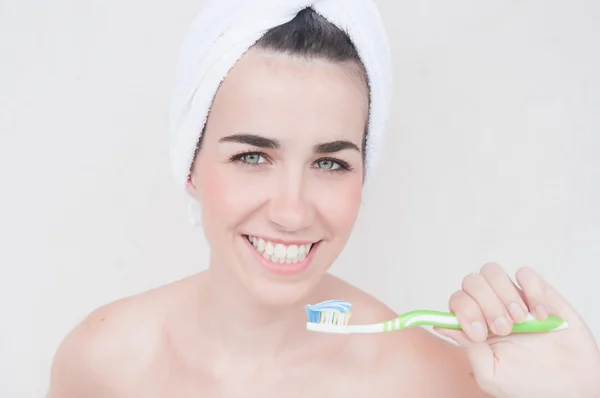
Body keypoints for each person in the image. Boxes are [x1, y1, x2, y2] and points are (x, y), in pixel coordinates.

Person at [47, 6, 600, 398]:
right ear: (189, 165)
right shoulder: (103, 361)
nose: (291, 211)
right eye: (252, 157)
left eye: (330, 163)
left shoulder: (432, 382)